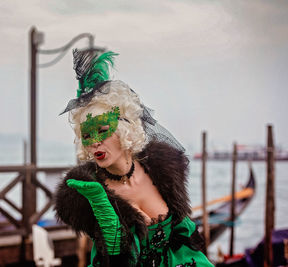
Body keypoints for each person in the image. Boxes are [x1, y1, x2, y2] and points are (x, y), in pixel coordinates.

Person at [54, 49, 213, 267]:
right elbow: (114, 258)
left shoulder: (161, 172)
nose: (94, 142)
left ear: (125, 127)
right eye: (87, 135)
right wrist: (101, 202)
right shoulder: (86, 192)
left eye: (102, 130)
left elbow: (184, 238)